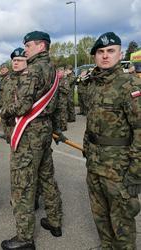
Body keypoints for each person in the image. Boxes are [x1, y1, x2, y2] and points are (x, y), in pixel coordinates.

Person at [0, 31, 65, 250]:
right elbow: (56, 104)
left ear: (41, 45)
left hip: (29, 132)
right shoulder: (53, 70)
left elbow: (23, 106)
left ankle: (25, 238)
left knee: (23, 184)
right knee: (47, 177)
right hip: (44, 130)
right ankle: (55, 221)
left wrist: (3, 112)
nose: (25, 50)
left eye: (28, 46)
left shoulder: (33, 70)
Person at [83, 32, 141, 249]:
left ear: (120, 54)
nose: (105, 56)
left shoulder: (129, 85)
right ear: (95, 56)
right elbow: (92, 122)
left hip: (119, 169)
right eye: (100, 52)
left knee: (122, 222)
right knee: (100, 217)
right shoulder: (94, 84)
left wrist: (136, 173)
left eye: (110, 51)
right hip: (95, 164)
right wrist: (87, 149)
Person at [0, 63, 10, 140]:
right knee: (4, 118)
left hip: (6, 101)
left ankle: (8, 134)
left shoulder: (8, 77)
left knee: (6, 118)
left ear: (7, 69)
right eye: (1, 69)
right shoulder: (3, 77)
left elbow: (6, 87)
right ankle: (6, 133)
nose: (2, 71)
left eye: (3, 69)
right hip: (2, 100)